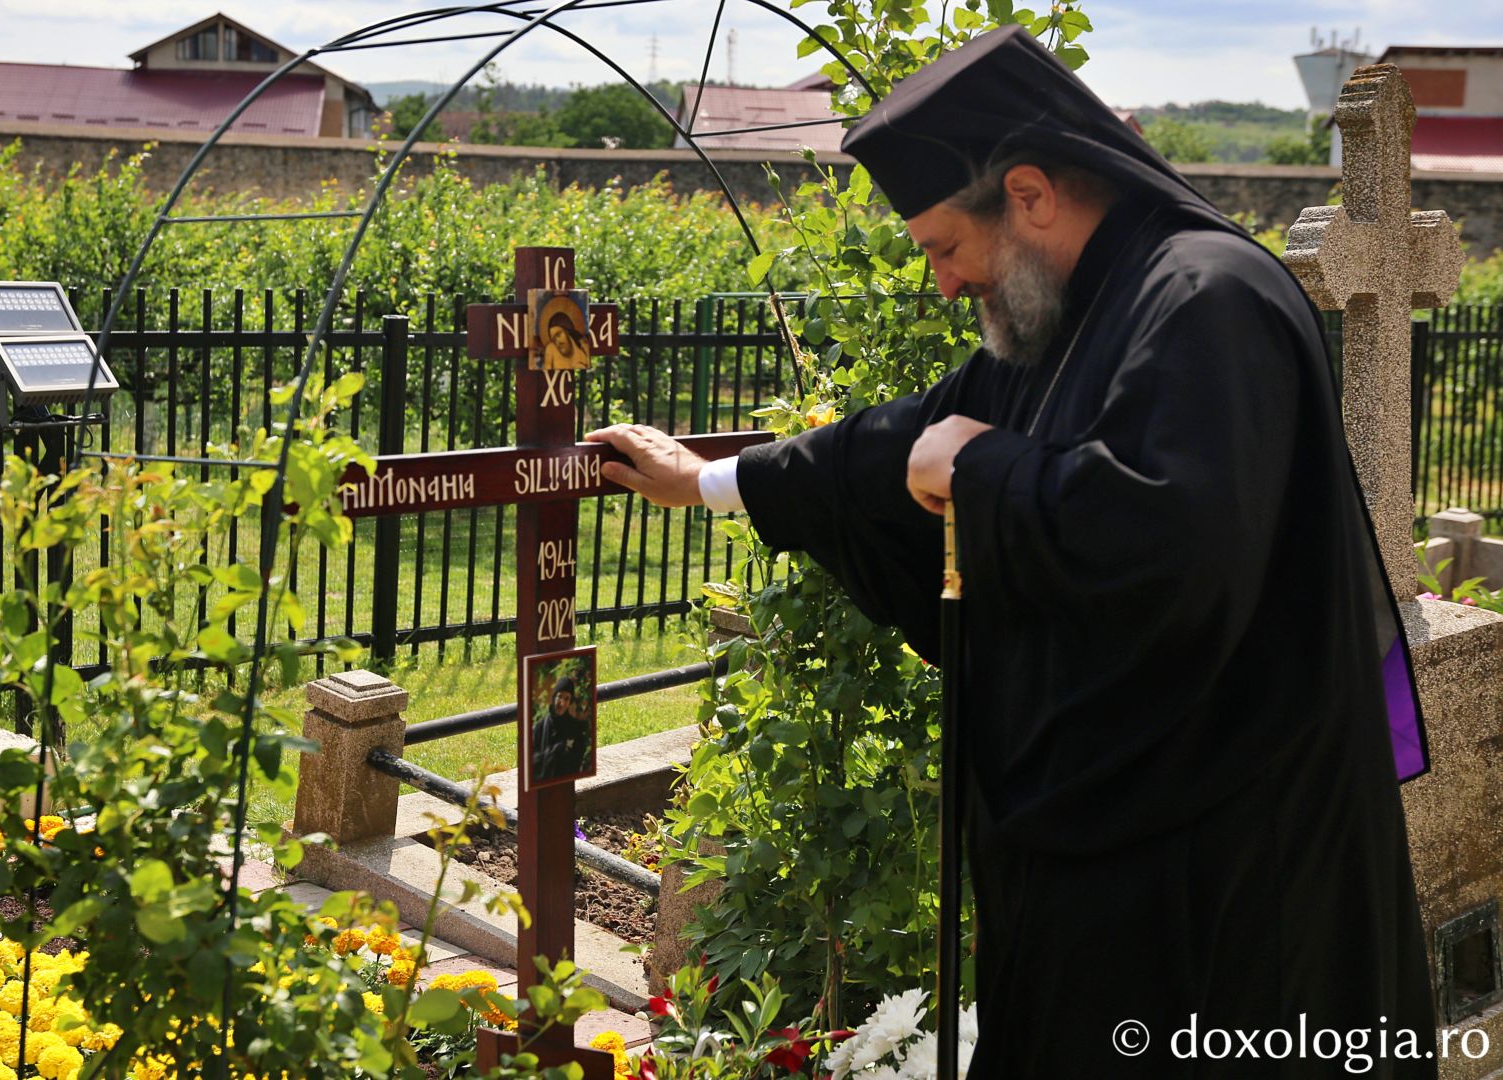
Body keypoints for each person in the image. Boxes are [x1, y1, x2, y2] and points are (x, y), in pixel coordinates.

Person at [586, 26, 1436, 1079]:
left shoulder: (1208, 299)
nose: (944, 283)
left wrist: (981, 470)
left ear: (1027, 193)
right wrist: (714, 480)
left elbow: (1174, 545)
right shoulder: (1068, 313)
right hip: (1106, 866)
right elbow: (894, 444)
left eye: (945, 246)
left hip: (1229, 877)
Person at [531, 674, 592, 783]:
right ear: (554, 697)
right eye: (559, 696)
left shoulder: (575, 728)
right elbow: (532, 761)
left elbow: (577, 762)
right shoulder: (540, 727)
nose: (562, 703)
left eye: (566, 699)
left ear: (569, 702)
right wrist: (555, 751)